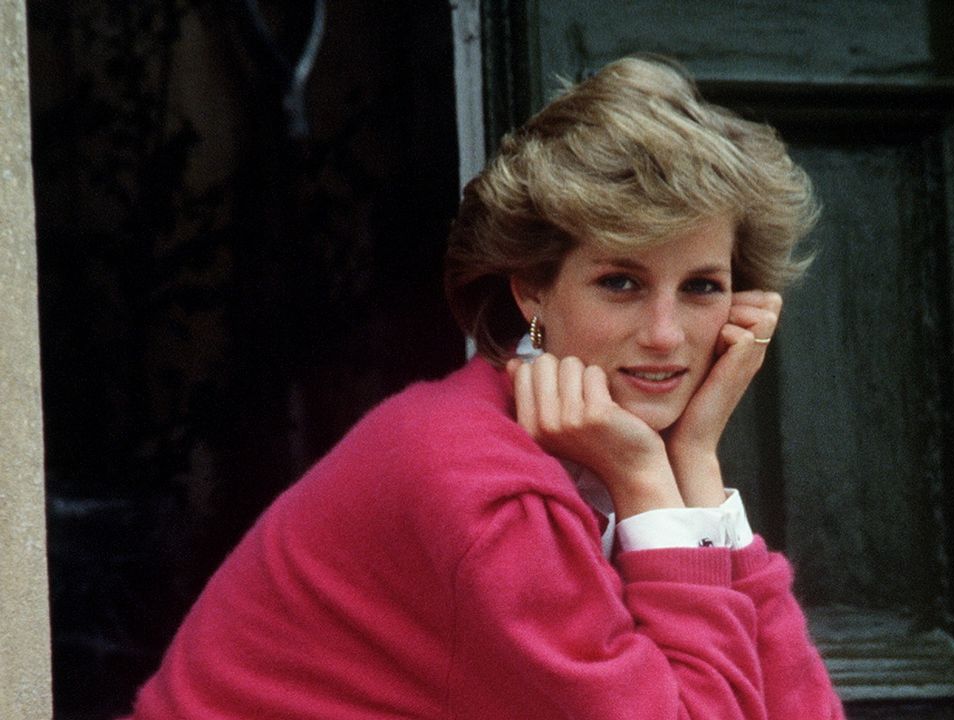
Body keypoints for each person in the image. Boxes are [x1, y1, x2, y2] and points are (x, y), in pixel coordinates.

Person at [126, 55, 844, 719]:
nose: (665, 334)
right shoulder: (487, 491)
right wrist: (644, 476)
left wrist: (695, 460)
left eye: (701, 287)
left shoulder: (589, 444)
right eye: (620, 282)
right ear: (532, 291)